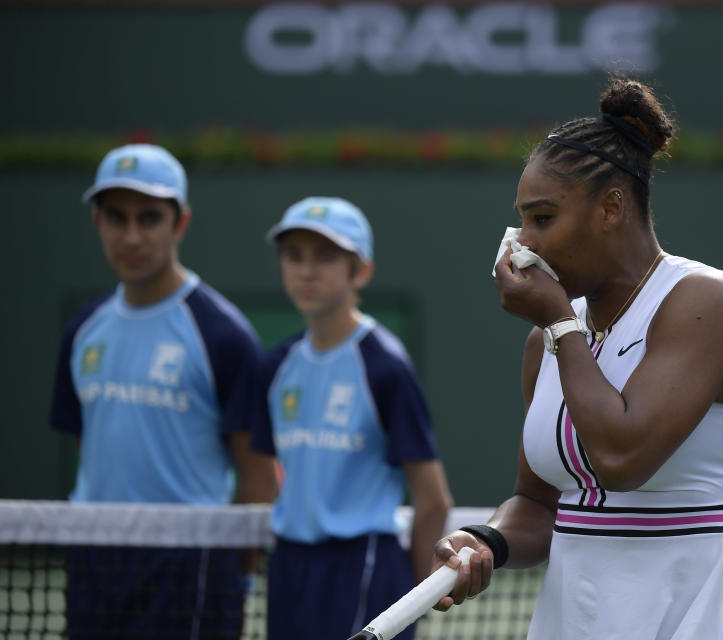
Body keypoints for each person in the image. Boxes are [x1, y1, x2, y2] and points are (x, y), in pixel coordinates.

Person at [431, 77, 723, 639]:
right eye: (522, 220)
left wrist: (557, 321)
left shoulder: (707, 301)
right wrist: (488, 542)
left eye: (543, 218)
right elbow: (539, 503)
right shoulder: (548, 340)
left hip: (702, 623)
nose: (521, 244)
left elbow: (621, 461)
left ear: (611, 208)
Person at [49, 143, 278, 639]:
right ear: (97, 223)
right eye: (116, 217)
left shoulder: (223, 334)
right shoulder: (82, 330)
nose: (131, 235)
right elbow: (89, 449)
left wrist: (234, 571)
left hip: (191, 564)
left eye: (149, 218)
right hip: (94, 559)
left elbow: (258, 477)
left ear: (180, 223)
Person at [251, 196, 453, 640]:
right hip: (289, 568)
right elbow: (266, 472)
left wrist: (414, 601)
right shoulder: (276, 366)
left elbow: (433, 499)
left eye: (325, 256)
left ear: (359, 271)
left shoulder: (385, 366)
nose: (306, 270)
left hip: (361, 565)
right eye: (294, 256)